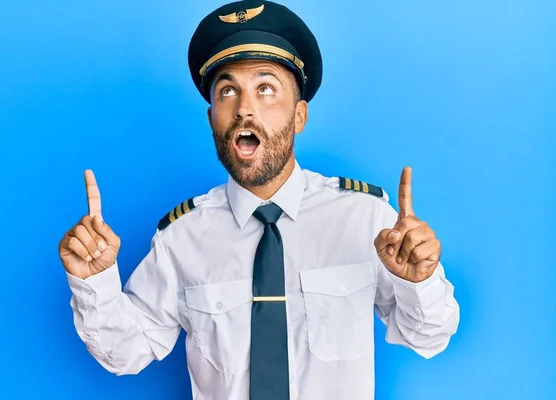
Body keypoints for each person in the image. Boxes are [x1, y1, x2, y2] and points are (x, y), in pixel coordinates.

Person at [59, 1, 460, 399]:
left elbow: (427, 338)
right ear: (212, 117)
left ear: (299, 115)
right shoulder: (181, 237)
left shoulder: (365, 217)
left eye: (265, 88)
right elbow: (126, 352)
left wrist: (418, 280)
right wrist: (94, 281)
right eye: (228, 90)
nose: (245, 109)